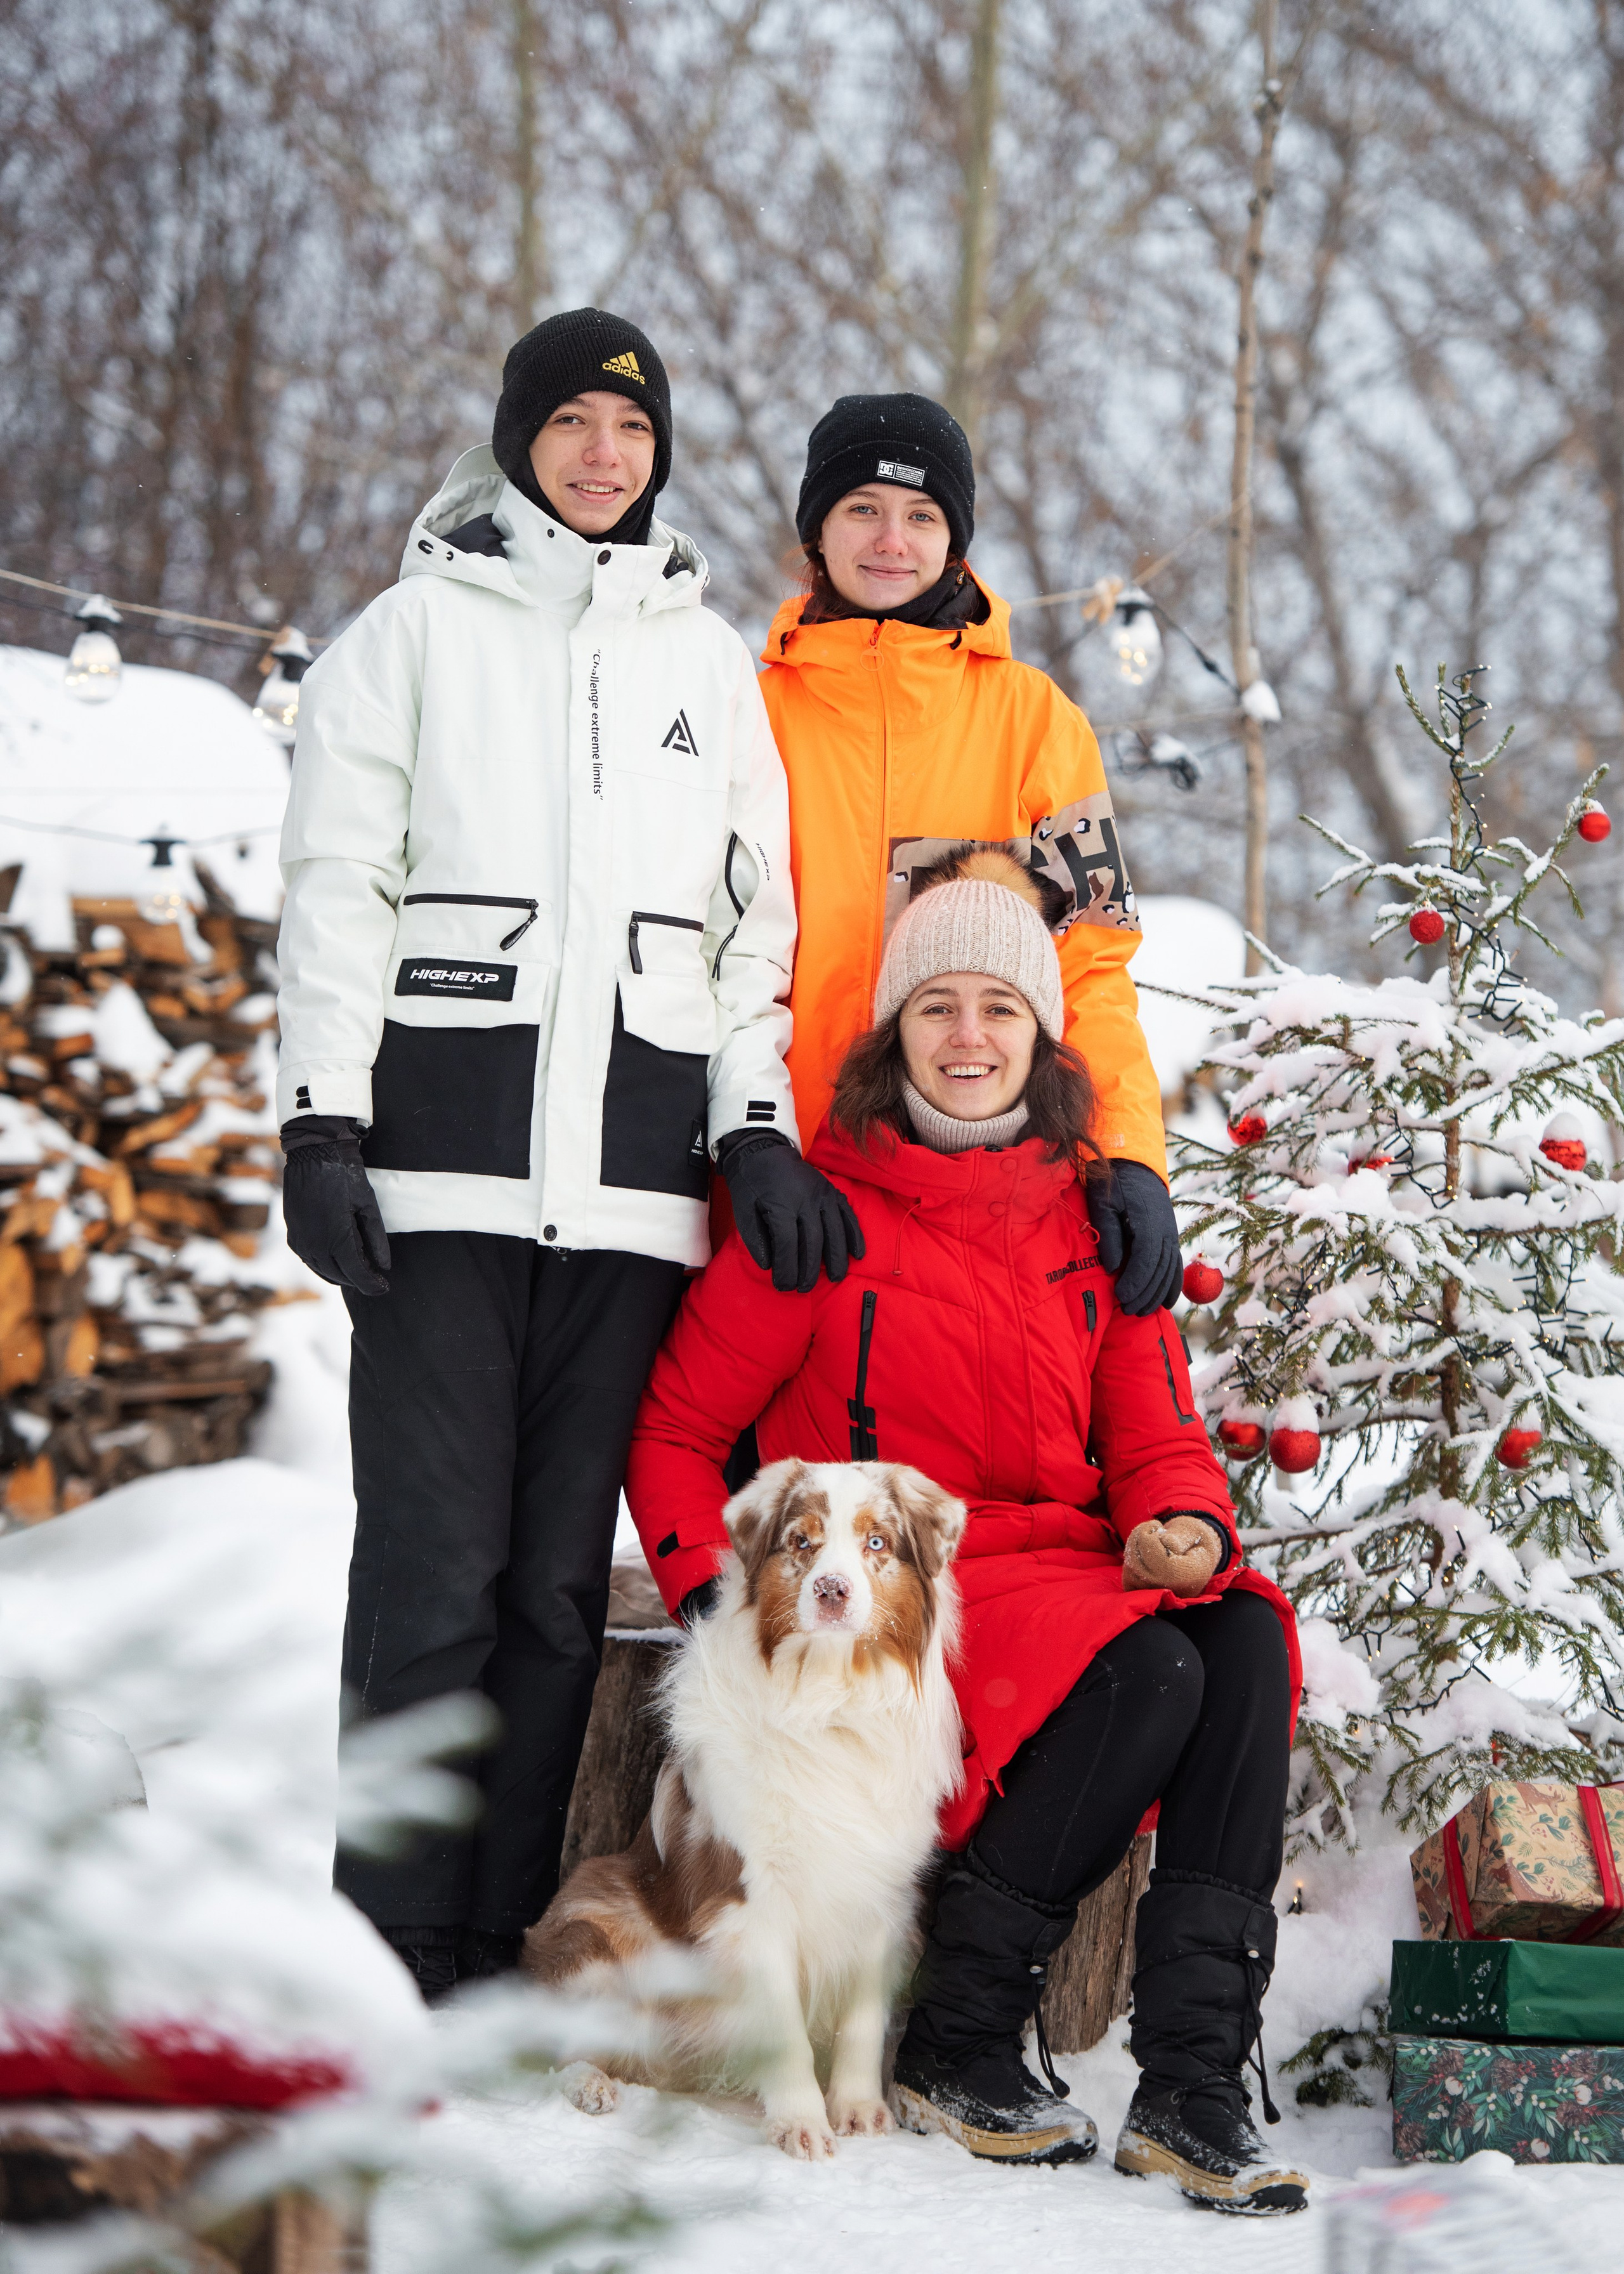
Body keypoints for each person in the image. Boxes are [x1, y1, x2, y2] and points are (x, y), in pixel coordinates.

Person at [275, 308, 857, 1999]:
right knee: (432, 1578)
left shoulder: (702, 665)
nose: (607, 455)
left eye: (633, 429)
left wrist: (751, 1126)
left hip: (630, 1195)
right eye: (576, 424)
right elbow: (336, 895)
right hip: (437, 1182)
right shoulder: (409, 635)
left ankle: (489, 1940)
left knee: (545, 1595)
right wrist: (323, 1116)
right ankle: (381, 1940)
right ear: (521, 436)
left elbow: (758, 927)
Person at [624, 850, 1306, 2214]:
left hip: (1068, 1562)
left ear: (1042, 1034)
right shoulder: (812, 1217)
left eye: (1000, 1005)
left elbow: (1157, 1432)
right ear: (892, 1033)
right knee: (1155, 1666)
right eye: (935, 1005)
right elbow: (676, 1435)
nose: (969, 1036)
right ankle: (958, 2028)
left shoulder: (1088, 1211)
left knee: (1240, 1631)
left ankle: (1190, 2081)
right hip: (906, 1587)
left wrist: (1180, 1517)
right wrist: (710, 1590)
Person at [757, 391, 1180, 1317]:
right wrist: (747, 1148)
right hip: (777, 1193)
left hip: (977, 1206)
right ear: (816, 531)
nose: (890, 540)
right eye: (861, 508)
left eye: (921, 515)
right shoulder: (749, 717)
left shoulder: (1039, 724)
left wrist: (1129, 1154)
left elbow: (1093, 966)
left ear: (956, 543)